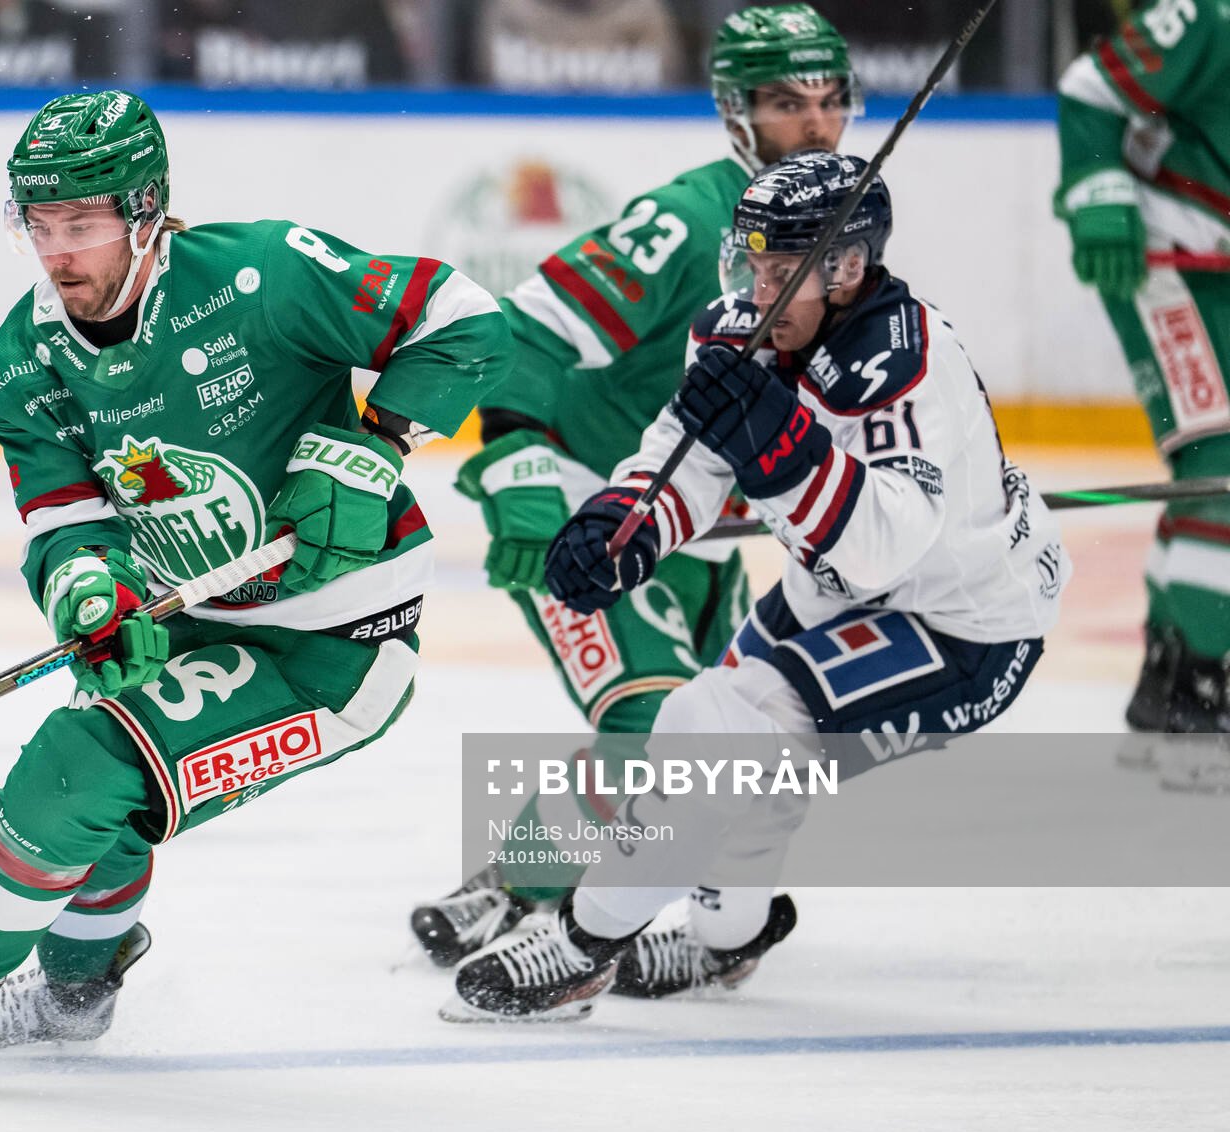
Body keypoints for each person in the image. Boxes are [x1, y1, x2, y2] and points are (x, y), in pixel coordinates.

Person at [0, 89, 509, 1087]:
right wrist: (91, 591)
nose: (60, 255)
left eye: (84, 227)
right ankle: (74, 999)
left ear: (146, 214)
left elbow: (463, 317)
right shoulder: (20, 366)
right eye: (41, 227)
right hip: (193, 623)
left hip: (336, 645)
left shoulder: (263, 275)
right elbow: (64, 523)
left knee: (81, 760)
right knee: (95, 802)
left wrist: (378, 443)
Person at [446, 150, 1067, 1021]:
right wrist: (629, 523)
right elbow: (691, 445)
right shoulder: (750, 326)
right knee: (748, 763)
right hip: (843, 596)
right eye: (752, 262)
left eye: (783, 271)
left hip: (964, 629)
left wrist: (780, 446)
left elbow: (881, 546)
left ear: (847, 269)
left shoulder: (903, 366)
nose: (757, 285)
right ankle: (726, 939)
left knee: (711, 726)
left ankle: (583, 946)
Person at [409, 3, 856, 994]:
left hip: (692, 528)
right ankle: (537, 903)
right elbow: (525, 328)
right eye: (788, 103)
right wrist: (521, 469)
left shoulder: (850, 246)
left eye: (832, 101)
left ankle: (629, 904)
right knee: (655, 729)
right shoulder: (691, 219)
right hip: (592, 502)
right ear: (737, 113)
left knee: (748, 745)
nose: (817, 127)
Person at [1056, 0, 1230, 787]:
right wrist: (1096, 186)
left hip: (1207, 258)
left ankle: (1166, 692)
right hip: (1163, 253)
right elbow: (1090, 89)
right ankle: (1203, 701)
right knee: (1224, 464)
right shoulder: (1211, 15)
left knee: (1211, 467)